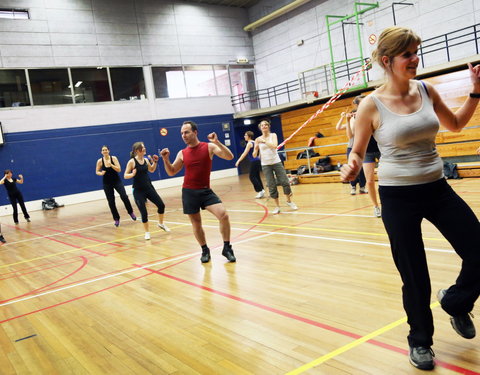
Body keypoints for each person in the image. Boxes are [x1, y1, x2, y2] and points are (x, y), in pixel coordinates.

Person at [341, 26, 480, 371]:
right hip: (398, 197)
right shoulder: (371, 105)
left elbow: (457, 125)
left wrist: (476, 92)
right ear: (387, 61)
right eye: (408, 54)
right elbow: (357, 151)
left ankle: (456, 302)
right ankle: (420, 342)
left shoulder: (426, 90)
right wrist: (351, 166)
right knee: (414, 273)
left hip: (437, 189)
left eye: (417, 51)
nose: (415, 59)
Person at [160, 121, 236, 264]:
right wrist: (165, 159)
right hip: (189, 192)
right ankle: (205, 250)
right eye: (182, 133)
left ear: (195, 132)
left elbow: (229, 157)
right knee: (196, 224)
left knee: (223, 215)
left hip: (206, 191)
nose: (184, 135)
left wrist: (217, 142)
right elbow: (171, 171)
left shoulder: (209, 147)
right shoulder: (182, 153)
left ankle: (227, 248)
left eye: (187, 132)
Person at [124, 142, 169, 240]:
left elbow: (152, 170)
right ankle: (147, 232)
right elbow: (125, 175)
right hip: (138, 191)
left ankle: (161, 224)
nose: (144, 149)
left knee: (161, 205)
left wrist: (155, 162)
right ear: (137, 150)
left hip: (148, 188)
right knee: (144, 213)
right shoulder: (132, 162)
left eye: (144, 147)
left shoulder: (145, 160)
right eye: (143, 148)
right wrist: (132, 174)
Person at [253, 118, 297, 214]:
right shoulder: (257, 139)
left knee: (285, 182)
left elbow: (274, 146)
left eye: (266, 125)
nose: (264, 126)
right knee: (271, 185)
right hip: (265, 164)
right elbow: (254, 155)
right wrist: (256, 148)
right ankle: (277, 206)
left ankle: (289, 201)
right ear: (260, 128)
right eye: (262, 125)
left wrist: (264, 141)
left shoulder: (273, 135)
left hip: (276, 162)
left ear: (268, 127)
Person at [96, 145, 137, 227]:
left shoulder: (113, 158)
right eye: (103, 150)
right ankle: (116, 219)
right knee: (111, 202)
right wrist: (101, 173)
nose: (105, 151)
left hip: (116, 181)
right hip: (107, 183)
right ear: (101, 152)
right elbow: (97, 171)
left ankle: (131, 212)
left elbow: (119, 169)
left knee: (124, 196)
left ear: (108, 151)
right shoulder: (100, 161)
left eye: (106, 150)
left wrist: (111, 165)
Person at [336, 95, 367, 195]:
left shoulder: (363, 118)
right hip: (351, 147)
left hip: (362, 147)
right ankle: (353, 187)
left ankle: (362, 187)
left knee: (362, 169)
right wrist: (343, 118)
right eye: (353, 113)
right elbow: (338, 127)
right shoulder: (351, 121)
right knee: (352, 168)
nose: (354, 114)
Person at [235, 130, 265, 199]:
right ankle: (262, 190)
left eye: (245, 135)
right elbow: (260, 151)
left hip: (254, 161)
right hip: (257, 160)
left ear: (249, 136)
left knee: (252, 177)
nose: (244, 136)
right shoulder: (255, 142)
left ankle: (260, 191)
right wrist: (259, 157)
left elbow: (244, 153)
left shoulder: (249, 143)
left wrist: (238, 161)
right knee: (257, 176)